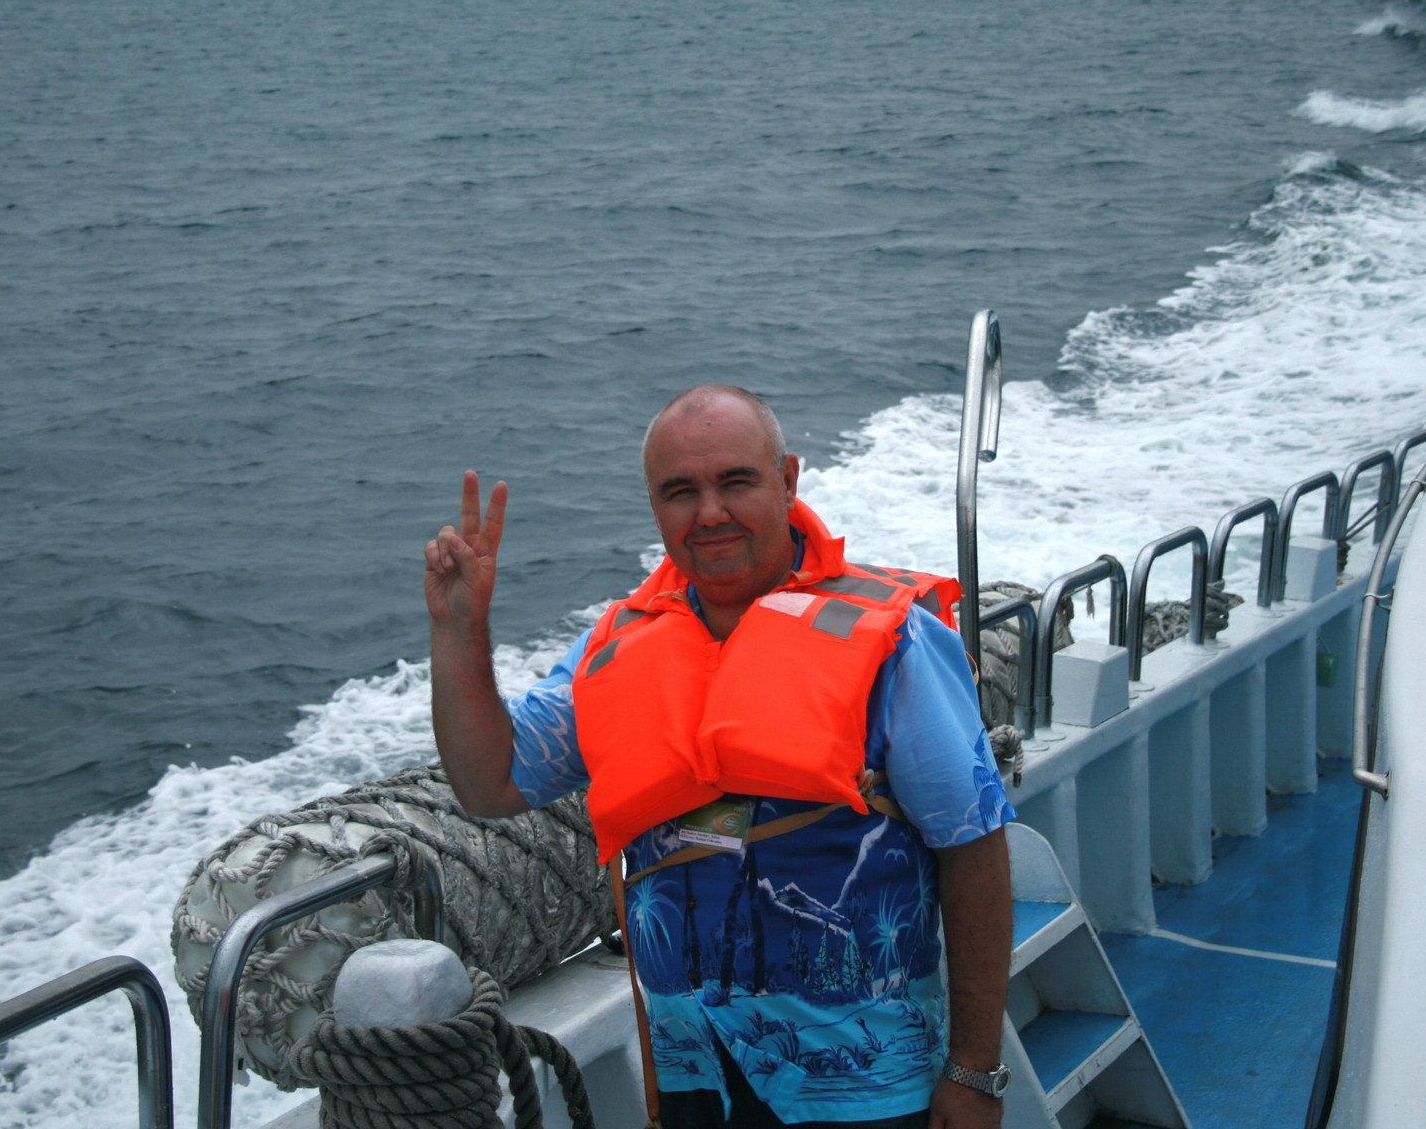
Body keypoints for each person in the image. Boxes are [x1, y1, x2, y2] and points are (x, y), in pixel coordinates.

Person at [424, 385, 1014, 1129]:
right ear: (654, 505)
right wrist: (458, 630)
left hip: (867, 1084)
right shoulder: (614, 649)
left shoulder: (897, 644)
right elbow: (490, 783)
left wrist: (974, 1069)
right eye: (680, 492)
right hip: (693, 1074)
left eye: (735, 482)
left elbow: (974, 848)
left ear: (788, 481)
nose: (709, 513)